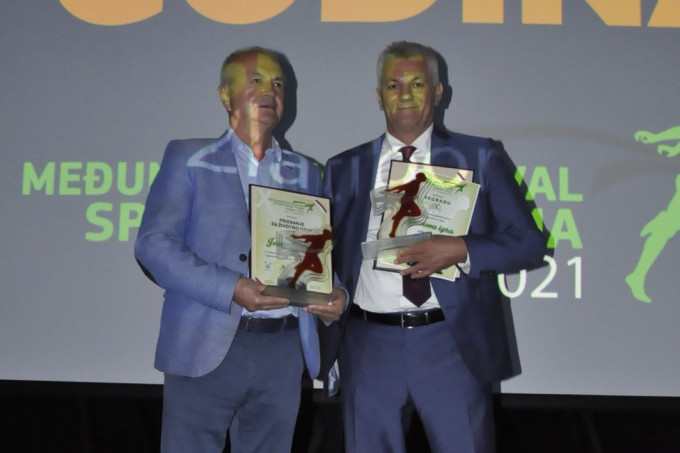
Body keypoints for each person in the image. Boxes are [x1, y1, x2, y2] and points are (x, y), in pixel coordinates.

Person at [322, 41, 549, 453]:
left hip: (449, 342)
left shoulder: (480, 155)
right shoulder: (344, 167)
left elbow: (530, 245)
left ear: (438, 91)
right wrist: (329, 291)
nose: (405, 94)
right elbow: (328, 256)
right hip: (368, 344)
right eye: (393, 85)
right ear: (379, 96)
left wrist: (461, 248)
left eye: (417, 83)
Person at [134, 47, 345, 453]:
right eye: (257, 80)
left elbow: (316, 253)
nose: (270, 91)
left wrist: (335, 294)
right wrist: (231, 287)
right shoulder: (189, 158)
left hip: (282, 350)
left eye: (278, 83)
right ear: (225, 95)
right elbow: (153, 245)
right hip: (206, 341)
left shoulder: (306, 171)